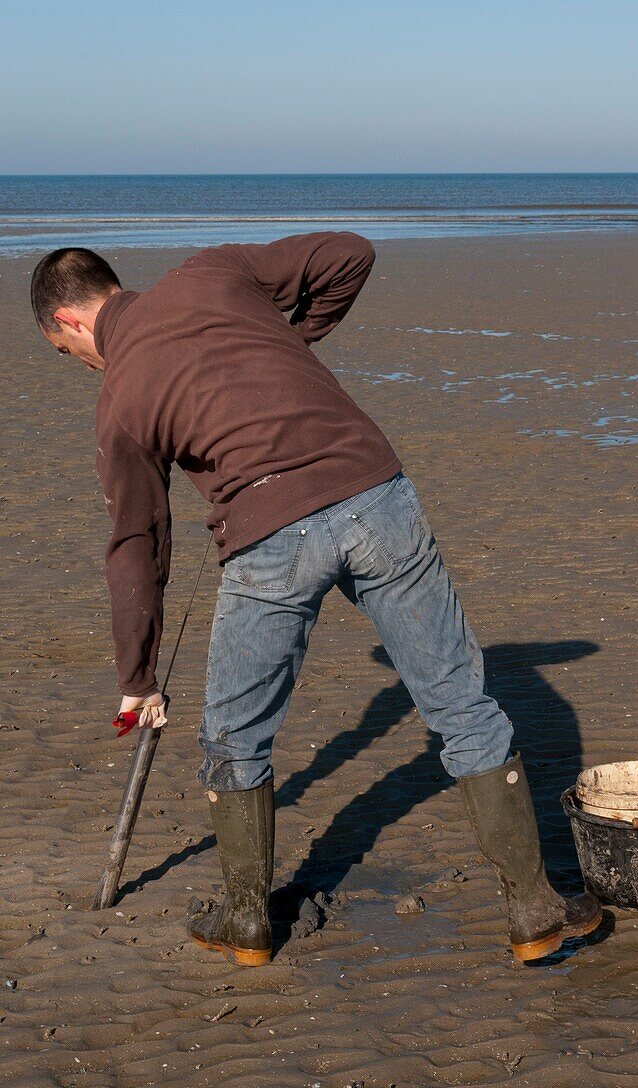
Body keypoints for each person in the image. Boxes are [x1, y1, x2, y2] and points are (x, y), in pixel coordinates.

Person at [30, 235, 601, 965]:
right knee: (461, 706)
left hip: (270, 537)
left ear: (71, 323)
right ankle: (532, 906)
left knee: (236, 738)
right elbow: (348, 253)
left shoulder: (118, 398)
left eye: (63, 352)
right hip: (376, 498)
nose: (78, 365)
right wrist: (288, 336)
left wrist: (136, 681)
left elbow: (137, 545)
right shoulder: (212, 271)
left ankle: (246, 922)